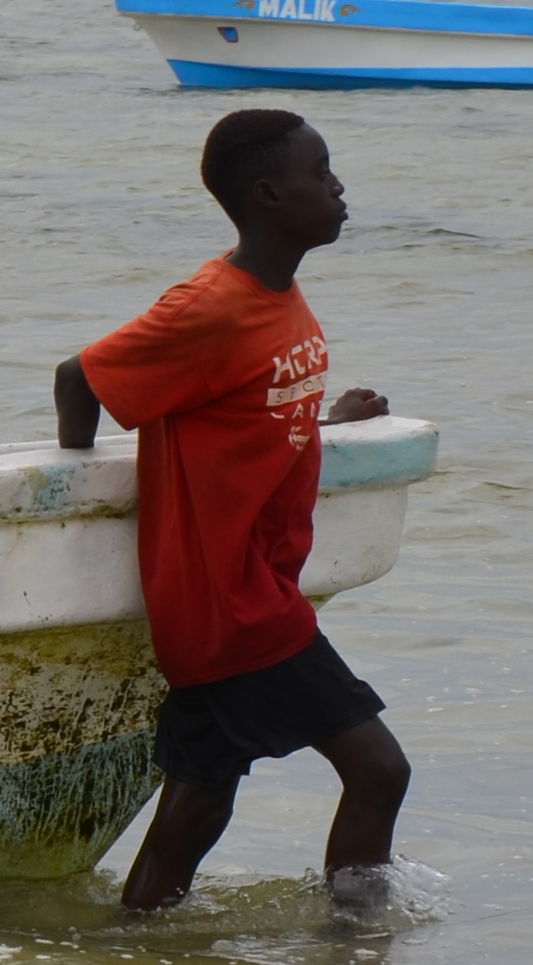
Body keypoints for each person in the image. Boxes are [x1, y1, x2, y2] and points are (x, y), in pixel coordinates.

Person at [53, 108, 405, 913]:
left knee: (198, 804)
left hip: (227, 601)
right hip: (239, 609)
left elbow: (243, 417)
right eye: (322, 172)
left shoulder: (277, 294)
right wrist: (76, 488)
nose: (339, 185)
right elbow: (81, 378)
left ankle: (135, 954)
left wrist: (324, 422)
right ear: (269, 193)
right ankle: (356, 963)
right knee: (380, 769)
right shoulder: (209, 305)